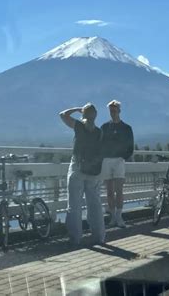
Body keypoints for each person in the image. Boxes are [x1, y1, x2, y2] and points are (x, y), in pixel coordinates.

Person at [59, 103, 105, 245]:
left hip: (78, 168)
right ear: (95, 115)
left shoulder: (79, 126)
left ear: (83, 114)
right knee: (95, 204)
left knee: (74, 204)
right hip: (94, 170)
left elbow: (62, 115)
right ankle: (99, 237)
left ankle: (75, 238)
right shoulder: (99, 132)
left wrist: (76, 109)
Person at [101, 100, 134, 228]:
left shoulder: (126, 128)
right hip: (106, 160)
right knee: (109, 191)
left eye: (114, 110)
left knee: (119, 191)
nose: (112, 113)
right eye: (111, 111)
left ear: (119, 111)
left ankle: (119, 217)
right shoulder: (104, 127)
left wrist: (123, 157)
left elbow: (130, 146)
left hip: (119, 160)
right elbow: (100, 144)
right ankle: (113, 217)